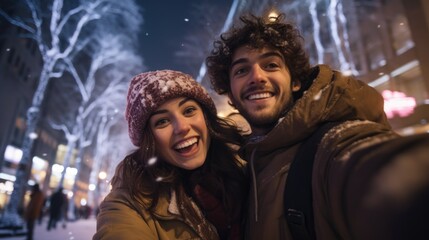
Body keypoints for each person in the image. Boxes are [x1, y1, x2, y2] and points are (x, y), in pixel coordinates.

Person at [205, 13, 429, 240]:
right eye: (242, 70)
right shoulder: (244, 165)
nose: (257, 77)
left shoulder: (330, 146)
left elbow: (371, 168)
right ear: (230, 95)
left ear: (295, 82)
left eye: (271, 65)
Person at [93, 70, 247, 240]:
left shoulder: (249, 165)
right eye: (162, 121)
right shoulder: (130, 201)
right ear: (149, 140)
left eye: (189, 110)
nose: (182, 127)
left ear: (206, 117)